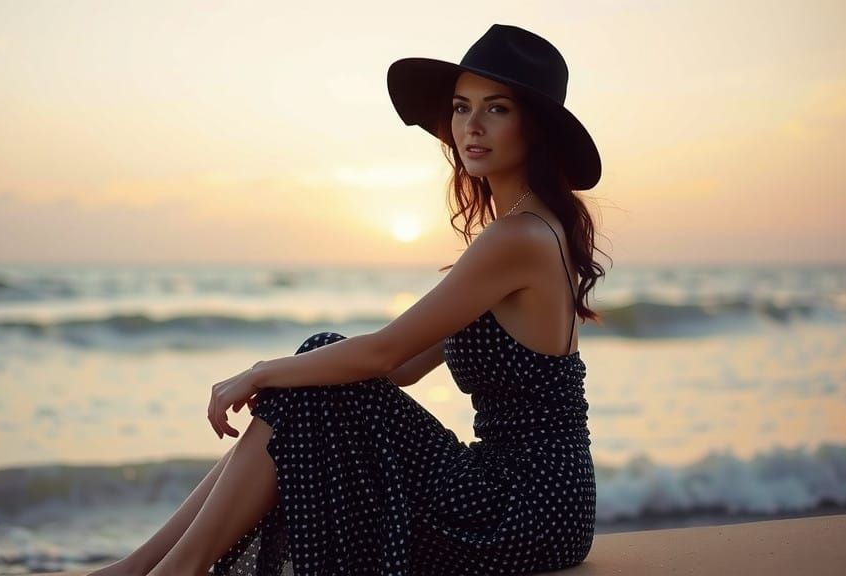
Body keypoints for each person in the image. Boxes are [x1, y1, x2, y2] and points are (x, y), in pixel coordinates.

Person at [88, 23, 608, 576]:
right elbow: (404, 368)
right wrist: (299, 386)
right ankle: (145, 566)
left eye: (496, 109)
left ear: (536, 127)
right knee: (314, 376)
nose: (470, 126)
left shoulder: (517, 238)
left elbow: (384, 354)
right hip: (538, 501)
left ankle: (171, 568)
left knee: (313, 364)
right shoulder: (522, 232)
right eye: (461, 107)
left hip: (523, 509)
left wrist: (262, 374)